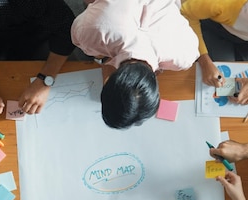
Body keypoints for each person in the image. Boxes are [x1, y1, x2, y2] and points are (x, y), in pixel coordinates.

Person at [71, 0, 199, 129]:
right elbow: (80, 34)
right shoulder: (89, 33)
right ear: (106, 80)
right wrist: (103, 60)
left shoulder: (185, 55)